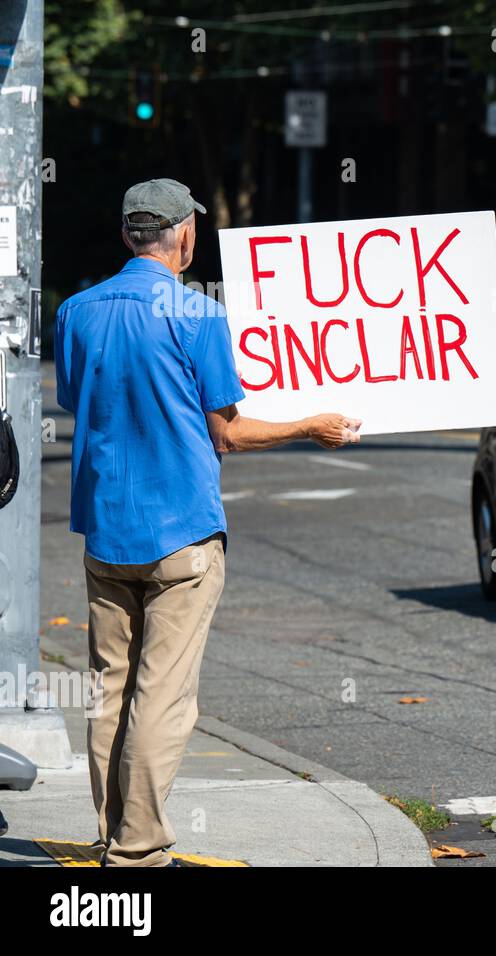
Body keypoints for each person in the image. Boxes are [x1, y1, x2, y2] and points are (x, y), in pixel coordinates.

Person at [54, 179, 361, 866]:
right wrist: (312, 425)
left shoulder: (76, 312)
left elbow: (82, 403)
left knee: (110, 689)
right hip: (182, 533)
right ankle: (138, 850)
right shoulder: (197, 316)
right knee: (161, 699)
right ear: (185, 236)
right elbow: (229, 432)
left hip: (105, 530)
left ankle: (113, 833)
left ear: (127, 234)